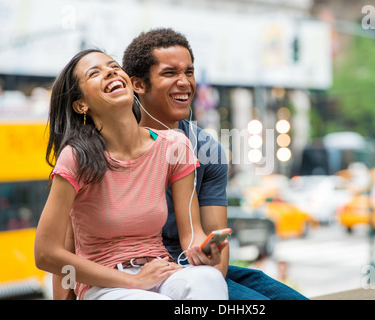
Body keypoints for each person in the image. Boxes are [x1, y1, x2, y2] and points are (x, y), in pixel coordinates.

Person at [122, 28, 308, 300]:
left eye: (189, 72)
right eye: (170, 73)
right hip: (141, 273)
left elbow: (215, 249)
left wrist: (209, 267)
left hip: (195, 267)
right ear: (137, 84)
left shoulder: (206, 149)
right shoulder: (108, 145)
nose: (185, 82)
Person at [35, 49, 228, 300]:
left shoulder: (174, 145)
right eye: (94, 73)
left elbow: (191, 233)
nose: (110, 71)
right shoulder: (75, 157)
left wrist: (203, 252)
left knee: (208, 279)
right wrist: (132, 281)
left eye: (113, 66)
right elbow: (46, 253)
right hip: (106, 286)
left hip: (161, 271)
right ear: (81, 105)